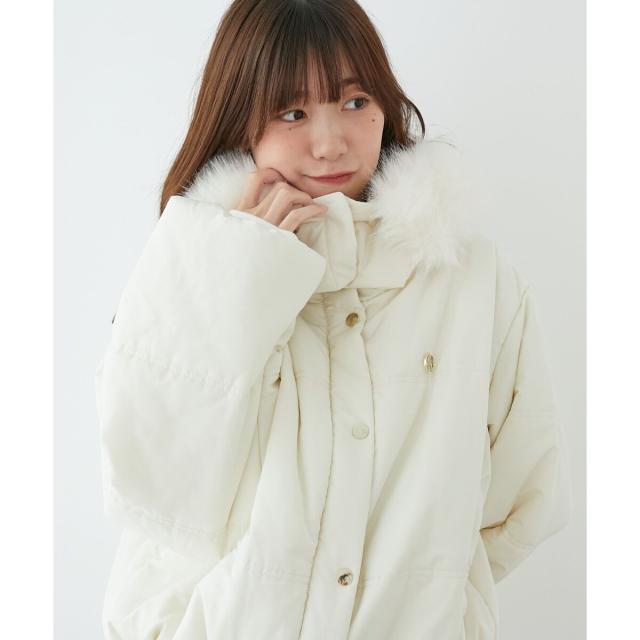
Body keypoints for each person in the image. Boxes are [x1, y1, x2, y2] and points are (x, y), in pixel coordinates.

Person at [94, 1, 573, 638]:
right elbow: (152, 487)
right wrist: (238, 274)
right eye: (292, 113)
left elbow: (523, 495)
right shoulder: (193, 268)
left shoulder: (471, 279)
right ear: (239, 117)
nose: (330, 143)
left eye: (354, 101)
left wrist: (429, 592)